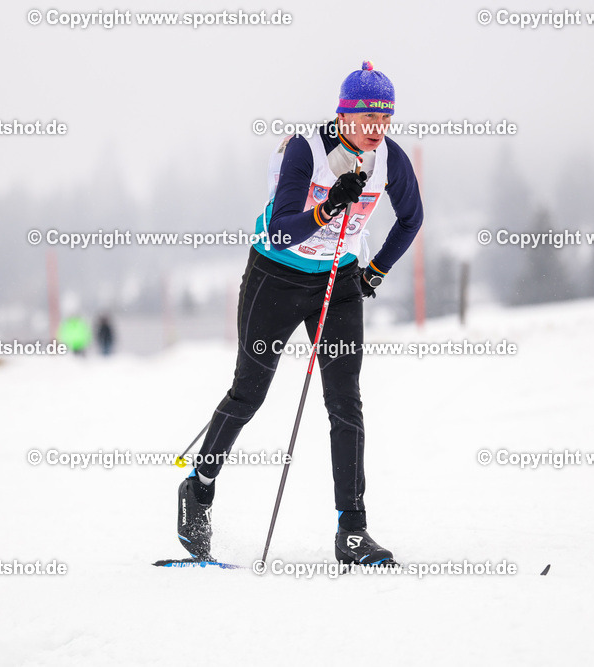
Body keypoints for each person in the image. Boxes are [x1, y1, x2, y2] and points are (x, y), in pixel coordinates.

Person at [178, 61, 424, 566]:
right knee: (250, 392)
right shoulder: (304, 150)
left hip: (337, 282)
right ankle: (199, 487)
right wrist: (330, 207)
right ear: (342, 114)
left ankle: (352, 531)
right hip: (275, 274)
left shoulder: (389, 160)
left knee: (344, 401)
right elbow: (284, 230)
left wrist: (374, 271)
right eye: (367, 117)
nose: (377, 129)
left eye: (386, 118)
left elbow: (412, 218)